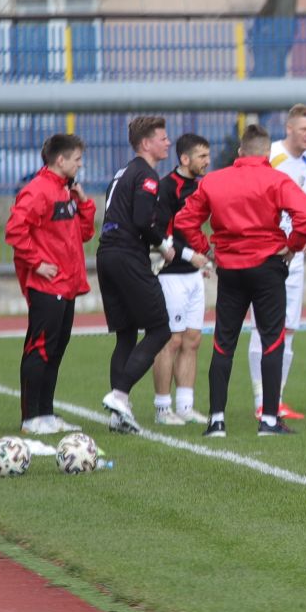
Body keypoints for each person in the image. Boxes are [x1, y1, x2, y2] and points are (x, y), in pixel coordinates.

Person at [176, 124, 306, 437]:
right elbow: (305, 219)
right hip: (268, 266)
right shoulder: (278, 179)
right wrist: (292, 246)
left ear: (240, 152)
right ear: (267, 153)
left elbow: (185, 220)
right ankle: (268, 420)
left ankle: (216, 420)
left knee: (224, 343)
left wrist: (205, 247)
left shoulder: (214, 180)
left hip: (231, 268)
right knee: (272, 341)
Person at [6, 133, 94, 436]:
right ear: (61, 160)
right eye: (77, 159)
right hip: (47, 286)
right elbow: (16, 231)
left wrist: (84, 204)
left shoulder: (65, 191)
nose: (80, 164)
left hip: (67, 284)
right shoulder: (38, 190)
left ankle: (46, 413)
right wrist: (37, 262)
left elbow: (84, 235)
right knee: (39, 350)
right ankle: (31, 418)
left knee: (55, 350)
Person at [97, 115, 179, 434]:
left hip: (107, 255)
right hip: (128, 256)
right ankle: (119, 395)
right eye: (162, 137)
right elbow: (143, 220)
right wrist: (164, 246)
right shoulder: (146, 175)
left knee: (127, 334)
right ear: (146, 143)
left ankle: (119, 417)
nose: (167, 142)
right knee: (160, 329)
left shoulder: (122, 173)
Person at [251, 103, 306, 421]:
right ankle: (259, 398)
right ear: (289, 128)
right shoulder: (272, 156)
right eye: (304, 129)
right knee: (263, 325)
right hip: (264, 252)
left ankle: (276, 399)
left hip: (294, 255)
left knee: (289, 327)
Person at [150, 133, 213, 426]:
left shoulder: (201, 187)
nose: (207, 161)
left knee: (193, 339)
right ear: (185, 159)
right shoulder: (166, 188)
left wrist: (204, 258)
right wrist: (191, 256)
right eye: (202, 156)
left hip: (194, 274)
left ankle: (185, 406)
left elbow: (195, 229)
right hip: (171, 275)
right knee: (171, 340)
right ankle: (163, 408)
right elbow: (160, 234)